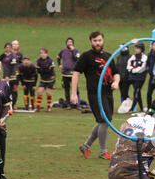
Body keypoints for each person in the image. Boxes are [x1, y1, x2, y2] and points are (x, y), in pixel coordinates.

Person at [71, 31, 120, 160]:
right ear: (91, 42)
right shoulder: (86, 56)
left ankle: (86, 146)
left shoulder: (109, 56)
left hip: (108, 93)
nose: (97, 43)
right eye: (95, 41)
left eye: (99, 40)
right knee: (104, 120)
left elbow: (116, 73)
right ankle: (103, 151)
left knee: (104, 121)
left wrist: (116, 82)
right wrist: (74, 93)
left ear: (103, 40)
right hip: (95, 94)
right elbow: (76, 73)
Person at [57, 37, 81, 109]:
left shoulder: (76, 51)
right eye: (68, 42)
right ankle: (68, 104)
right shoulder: (63, 51)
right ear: (66, 43)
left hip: (73, 73)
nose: (69, 43)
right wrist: (59, 64)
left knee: (76, 89)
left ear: (73, 43)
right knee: (66, 89)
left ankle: (77, 104)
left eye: (71, 42)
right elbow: (58, 58)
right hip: (65, 73)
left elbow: (76, 59)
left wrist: (72, 51)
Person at [127, 42, 148, 112]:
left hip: (140, 78)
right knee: (137, 93)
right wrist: (132, 69)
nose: (136, 50)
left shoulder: (145, 58)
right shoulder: (133, 57)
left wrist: (133, 70)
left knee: (136, 91)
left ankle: (132, 108)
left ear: (142, 49)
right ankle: (142, 108)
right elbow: (128, 65)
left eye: (138, 48)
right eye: (136, 48)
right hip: (133, 77)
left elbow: (142, 68)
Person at [35, 48, 56, 112]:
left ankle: (49, 107)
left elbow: (51, 70)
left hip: (50, 79)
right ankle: (38, 107)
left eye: (44, 53)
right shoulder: (38, 61)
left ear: (46, 53)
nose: (42, 54)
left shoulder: (50, 60)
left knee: (48, 92)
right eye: (41, 53)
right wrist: (45, 69)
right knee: (39, 92)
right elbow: (38, 71)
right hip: (43, 79)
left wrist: (43, 70)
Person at [9, 40, 23, 109]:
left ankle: (13, 104)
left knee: (15, 89)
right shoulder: (9, 53)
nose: (15, 45)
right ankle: (8, 104)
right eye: (13, 44)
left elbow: (21, 63)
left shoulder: (20, 54)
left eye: (16, 44)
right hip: (9, 75)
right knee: (9, 90)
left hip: (17, 75)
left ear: (18, 45)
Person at [146, 41, 155, 109]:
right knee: (149, 93)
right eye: (154, 45)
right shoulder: (149, 54)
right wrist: (149, 71)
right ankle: (149, 108)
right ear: (152, 46)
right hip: (152, 77)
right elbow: (147, 64)